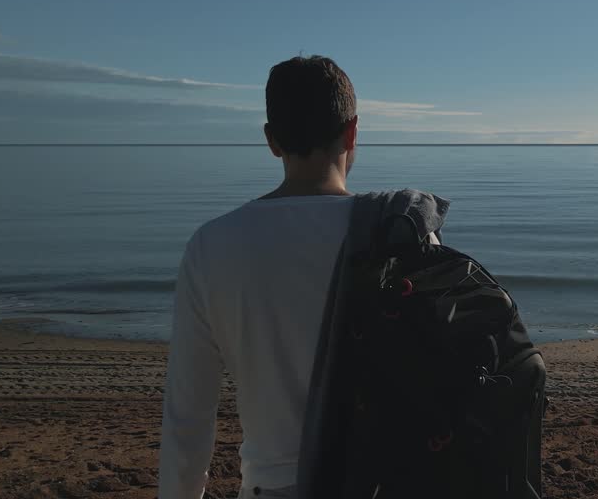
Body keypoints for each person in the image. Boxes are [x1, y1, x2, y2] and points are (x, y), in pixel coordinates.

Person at [159, 56, 433, 499]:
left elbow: (188, 416)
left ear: (271, 140)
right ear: (353, 131)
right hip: (384, 481)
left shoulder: (211, 246)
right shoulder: (402, 236)